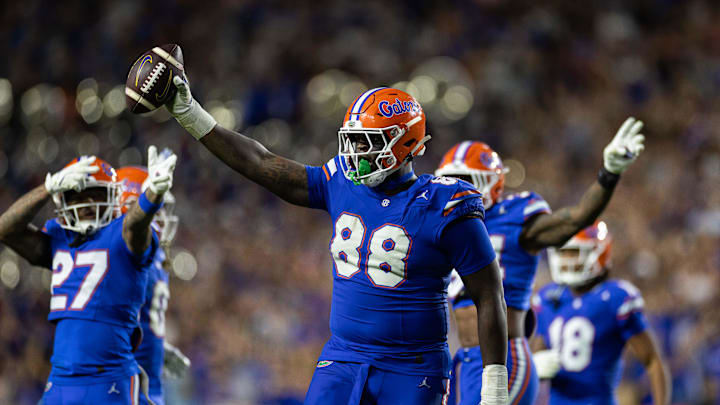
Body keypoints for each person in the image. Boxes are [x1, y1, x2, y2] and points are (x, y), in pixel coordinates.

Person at [159, 74, 509, 404]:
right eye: (353, 139)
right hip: (343, 357)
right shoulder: (340, 180)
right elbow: (260, 163)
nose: (355, 151)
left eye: (368, 142)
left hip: (412, 367)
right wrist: (190, 113)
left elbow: (488, 292)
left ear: (405, 144)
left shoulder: (443, 204)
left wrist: (494, 388)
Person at [435, 118, 645, 405]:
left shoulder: (516, 218)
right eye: (452, 179)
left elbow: (576, 218)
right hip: (466, 358)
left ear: (492, 184)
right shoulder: (444, 226)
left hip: (504, 357)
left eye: (467, 179)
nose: (458, 188)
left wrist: (608, 174)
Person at [0, 147, 176, 405]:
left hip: (109, 381)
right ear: (62, 200)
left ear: (113, 199)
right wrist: (47, 188)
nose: (86, 203)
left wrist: (152, 195)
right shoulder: (59, 240)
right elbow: (6, 229)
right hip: (60, 380)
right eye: (76, 195)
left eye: (96, 194)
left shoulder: (122, 236)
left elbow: (136, 224)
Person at [531, 221, 671, 405]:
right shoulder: (549, 297)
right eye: (562, 252)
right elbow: (535, 355)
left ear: (598, 252)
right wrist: (534, 368)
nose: (566, 259)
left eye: (573, 252)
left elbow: (652, 360)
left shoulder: (615, 298)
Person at [116, 165, 191, 405]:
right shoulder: (125, 255)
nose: (162, 216)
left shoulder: (155, 256)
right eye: (154, 207)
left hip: (146, 385)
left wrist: (155, 345)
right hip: (125, 387)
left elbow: (137, 315)